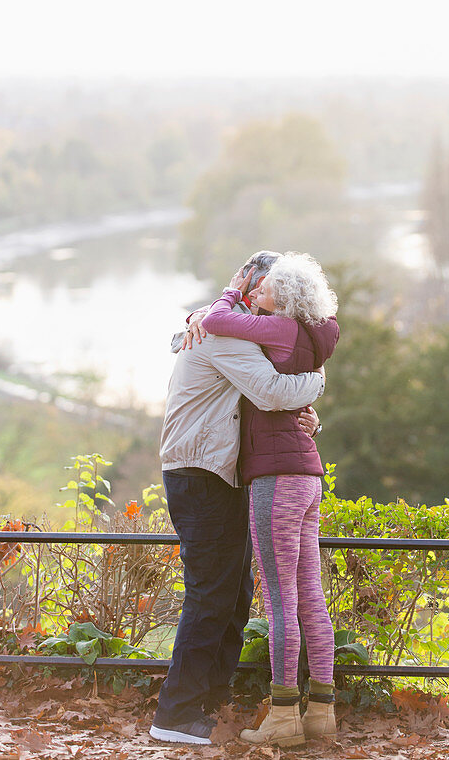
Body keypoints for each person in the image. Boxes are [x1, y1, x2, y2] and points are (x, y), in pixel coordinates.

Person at [150, 251, 325, 746]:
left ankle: (210, 702)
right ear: (249, 287)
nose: (278, 300)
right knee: (210, 591)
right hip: (200, 471)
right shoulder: (226, 332)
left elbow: (271, 406)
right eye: (270, 287)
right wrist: (320, 383)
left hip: (224, 473)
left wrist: (310, 417)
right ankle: (176, 713)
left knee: (235, 592)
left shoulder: (238, 328)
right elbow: (269, 392)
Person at [200, 251, 339, 746]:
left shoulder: (279, 330)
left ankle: (283, 717)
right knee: (311, 596)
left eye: (268, 286)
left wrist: (231, 288)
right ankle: (321, 710)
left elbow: (217, 320)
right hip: (308, 473)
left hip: (275, 478)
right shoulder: (323, 331)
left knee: (280, 601)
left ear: (287, 294)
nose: (258, 291)